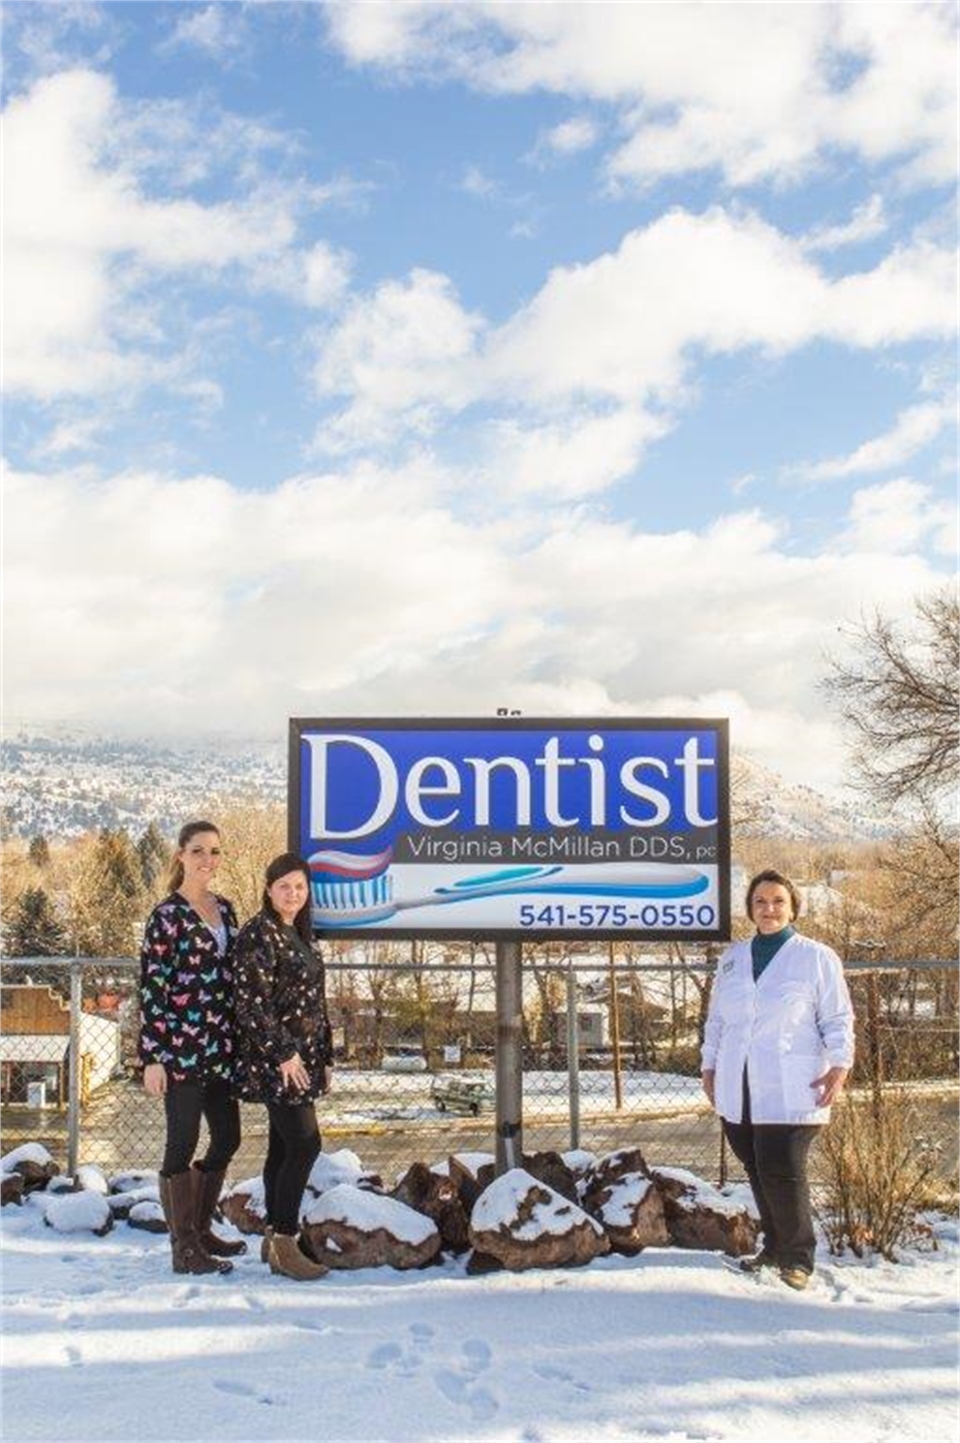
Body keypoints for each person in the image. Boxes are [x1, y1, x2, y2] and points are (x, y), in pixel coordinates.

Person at [701, 868, 854, 1290]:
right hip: (739, 1082)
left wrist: (839, 1065)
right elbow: (716, 1021)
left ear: (793, 907)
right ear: (750, 908)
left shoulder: (815, 957)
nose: (769, 909)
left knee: (783, 1169)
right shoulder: (732, 959)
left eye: (778, 901)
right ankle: (773, 1247)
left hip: (793, 1083)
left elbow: (838, 1018)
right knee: (755, 1166)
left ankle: (798, 1258)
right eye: (760, 902)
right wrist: (709, 1066)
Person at [139, 820, 246, 1275]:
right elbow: (152, 989)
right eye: (199, 851)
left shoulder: (227, 909)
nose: (208, 860)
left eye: (215, 852)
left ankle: (200, 1230)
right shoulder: (166, 917)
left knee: (228, 1136)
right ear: (181, 855)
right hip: (180, 1050)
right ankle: (183, 1248)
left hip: (222, 1049)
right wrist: (152, 1057)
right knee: (181, 1142)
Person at [234, 852, 334, 1281]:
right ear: (269, 890)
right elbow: (250, 1005)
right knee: (305, 1144)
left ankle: (274, 1239)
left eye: (299, 886)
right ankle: (286, 1240)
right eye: (284, 886)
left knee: (282, 1148)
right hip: (277, 1060)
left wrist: (326, 1056)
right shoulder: (258, 935)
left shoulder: (301, 933)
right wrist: (283, 1053)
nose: (292, 893)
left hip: (305, 1058)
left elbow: (316, 1002)